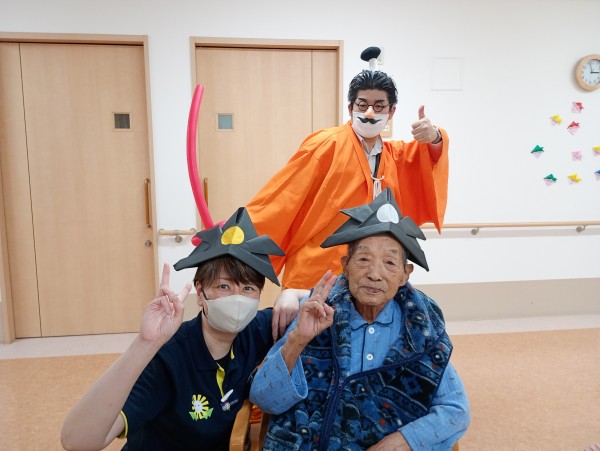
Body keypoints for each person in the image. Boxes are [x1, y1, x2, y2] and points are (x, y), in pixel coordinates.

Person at [61, 207, 303, 451]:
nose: (237, 299)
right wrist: (145, 344)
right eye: (224, 286)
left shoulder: (256, 330)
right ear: (200, 293)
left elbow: (320, 302)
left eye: (248, 289)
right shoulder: (168, 358)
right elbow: (78, 441)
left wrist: (292, 294)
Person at [250, 188, 470, 450]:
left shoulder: (421, 330)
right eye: (364, 259)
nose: (374, 274)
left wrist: (403, 440)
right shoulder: (318, 309)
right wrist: (298, 340)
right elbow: (264, 398)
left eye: (390, 263)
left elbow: (456, 410)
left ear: (405, 274)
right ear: (345, 265)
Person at [246, 67, 449, 291]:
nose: (370, 113)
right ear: (350, 107)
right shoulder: (326, 145)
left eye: (379, 105)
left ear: (391, 111)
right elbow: (284, 196)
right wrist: (239, 234)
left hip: (367, 274)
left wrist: (435, 136)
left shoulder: (394, 156)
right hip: (316, 269)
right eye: (362, 104)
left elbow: (427, 157)